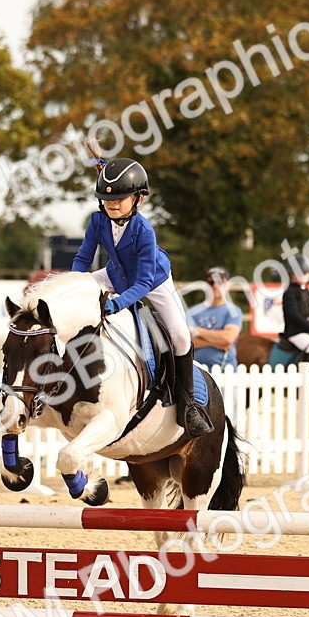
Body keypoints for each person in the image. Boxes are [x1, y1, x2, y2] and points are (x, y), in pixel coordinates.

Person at [71, 157, 213, 437]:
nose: (112, 204)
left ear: (138, 198)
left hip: (154, 281)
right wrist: (74, 286)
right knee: (80, 285)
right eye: (107, 199)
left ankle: (189, 404)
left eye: (120, 199)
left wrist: (116, 304)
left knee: (180, 336)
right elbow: (82, 258)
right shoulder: (97, 220)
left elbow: (145, 281)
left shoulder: (144, 230)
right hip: (115, 273)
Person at [187, 266, 242, 371]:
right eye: (211, 282)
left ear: (227, 284)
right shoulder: (192, 312)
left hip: (225, 372)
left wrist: (197, 331)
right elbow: (187, 342)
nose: (216, 286)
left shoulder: (233, 311)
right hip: (197, 373)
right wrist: (217, 342)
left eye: (220, 282)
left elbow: (227, 338)